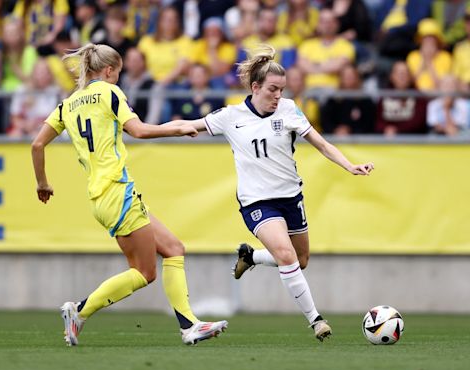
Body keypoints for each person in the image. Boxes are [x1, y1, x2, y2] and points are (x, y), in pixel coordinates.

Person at [31, 43, 228, 347]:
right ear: (109, 70)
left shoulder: (66, 104)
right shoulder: (110, 93)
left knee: (174, 248)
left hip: (101, 195)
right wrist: (176, 130)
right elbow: (138, 130)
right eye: (118, 73)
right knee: (144, 272)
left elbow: (37, 145)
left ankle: (189, 325)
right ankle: (79, 310)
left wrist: (42, 183)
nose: (118, 79)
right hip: (117, 191)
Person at [176, 45, 374, 341]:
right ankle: (316, 320)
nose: (277, 96)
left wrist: (350, 165)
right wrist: (143, 129)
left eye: (281, 89)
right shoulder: (231, 116)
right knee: (285, 254)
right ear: (255, 87)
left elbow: (321, 144)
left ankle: (251, 257)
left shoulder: (289, 109)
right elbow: (187, 126)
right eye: (272, 89)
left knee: (300, 259)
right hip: (256, 201)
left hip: (290, 197)